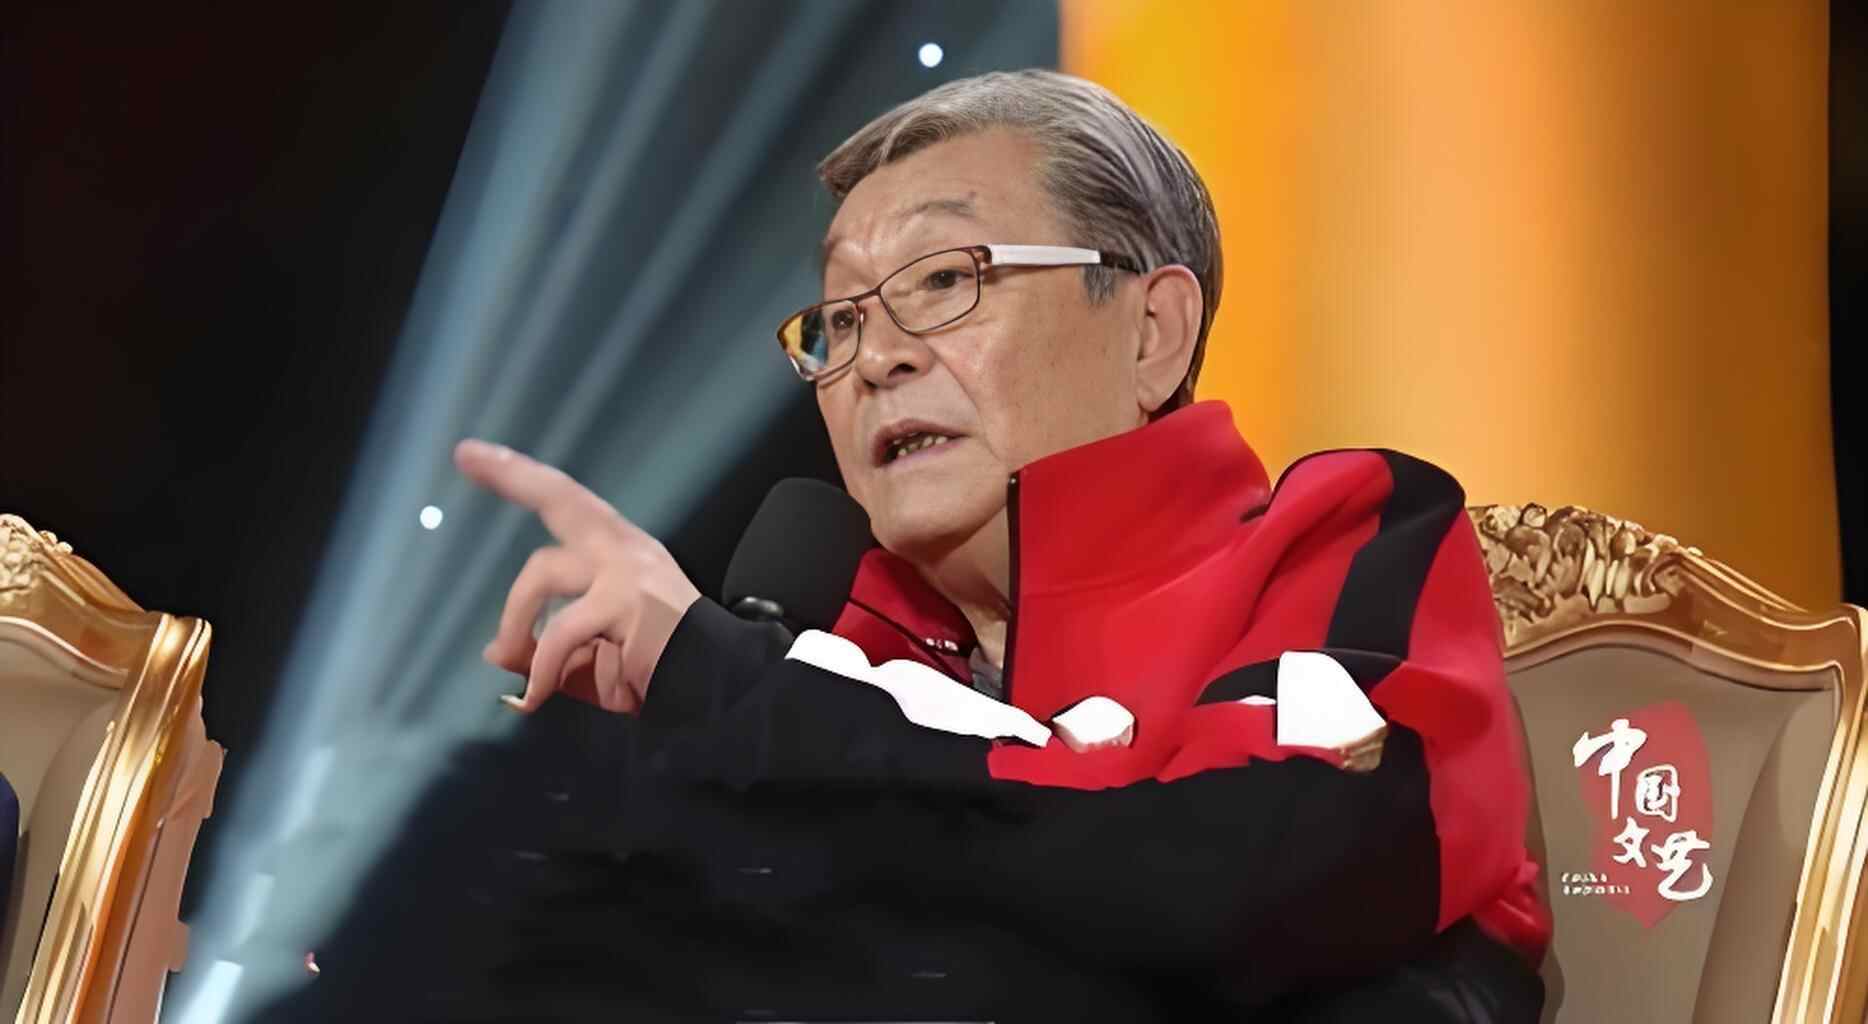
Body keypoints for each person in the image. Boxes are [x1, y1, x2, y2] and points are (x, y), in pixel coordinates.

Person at [455, 69, 1549, 1021]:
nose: (874, 358)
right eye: (840, 320)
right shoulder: (832, 660)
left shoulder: (1343, 539)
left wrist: (748, 699)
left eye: (944, 281)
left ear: (1152, 333)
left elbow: (1241, 889)